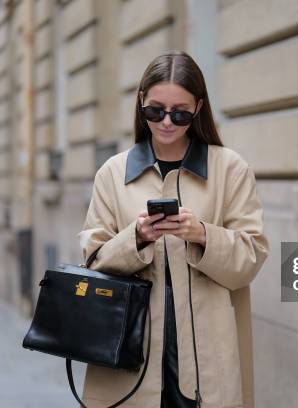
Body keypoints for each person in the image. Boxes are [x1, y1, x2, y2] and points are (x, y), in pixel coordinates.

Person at [76, 50, 269, 408]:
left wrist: (202, 234)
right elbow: (92, 261)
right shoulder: (112, 174)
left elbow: (251, 257)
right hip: (130, 349)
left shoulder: (230, 170)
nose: (166, 122)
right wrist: (135, 238)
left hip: (205, 356)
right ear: (140, 103)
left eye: (179, 113)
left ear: (197, 108)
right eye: (155, 110)